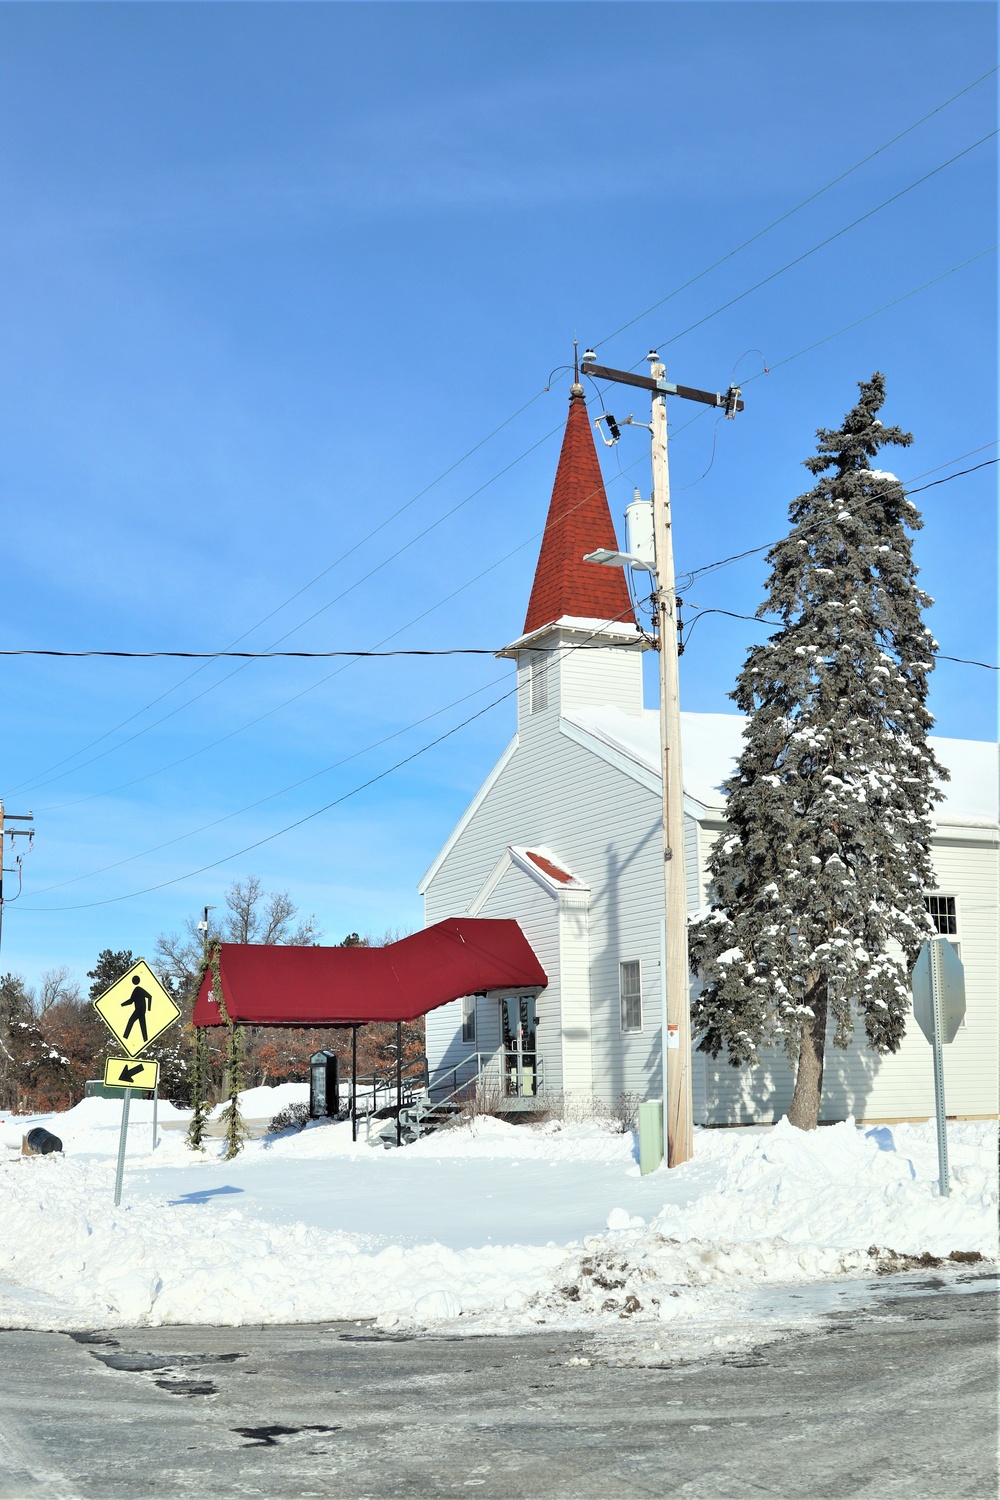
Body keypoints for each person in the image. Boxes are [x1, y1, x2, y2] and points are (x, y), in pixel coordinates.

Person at [122, 974, 152, 1044]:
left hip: (139, 1010)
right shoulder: (137, 989)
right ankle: (145, 1040)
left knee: (131, 1021)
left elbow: (150, 996)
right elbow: (131, 1001)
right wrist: (122, 1004)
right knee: (142, 1025)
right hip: (141, 1010)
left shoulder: (138, 989)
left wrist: (149, 1008)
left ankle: (125, 1037)